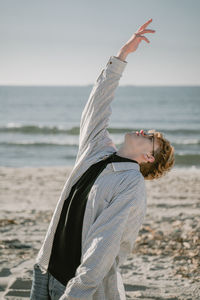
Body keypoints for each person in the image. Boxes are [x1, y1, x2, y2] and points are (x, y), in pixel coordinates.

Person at [30, 18, 175, 300]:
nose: (144, 131)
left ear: (147, 157)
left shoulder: (131, 184)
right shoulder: (97, 150)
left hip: (73, 286)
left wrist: (75, 293)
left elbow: (103, 246)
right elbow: (97, 103)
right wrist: (123, 55)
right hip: (45, 267)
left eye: (150, 138)